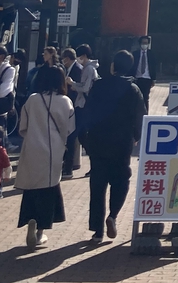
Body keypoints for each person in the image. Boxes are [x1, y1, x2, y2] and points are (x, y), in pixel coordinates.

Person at [79, 50, 145, 243]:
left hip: (98, 140)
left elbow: (88, 112)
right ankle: (113, 215)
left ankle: (97, 231)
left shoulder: (99, 85)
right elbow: (140, 117)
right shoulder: (133, 89)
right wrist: (135, 137)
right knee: (121, 180)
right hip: (122, 142)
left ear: (113, 66)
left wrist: (86, 138)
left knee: (97, 185)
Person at [16, 63, 73, 250]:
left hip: (32, 149)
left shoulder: (32, 100)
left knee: (31, 188)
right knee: (49, 189)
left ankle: (30, 219)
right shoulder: (65, 101)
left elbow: (22, 127)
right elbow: (70, 128)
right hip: (53, 152)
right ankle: (40, 232)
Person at [61, 48, 83, 179]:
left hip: (76, 107)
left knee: (72, 137)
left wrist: (71, 84)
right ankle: (67, 165)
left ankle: (68, 167)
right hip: (70, 106)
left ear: (68, 59)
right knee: (70, 137)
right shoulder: (69, 69)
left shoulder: (78, 69)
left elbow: (79, 87)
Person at [132, 36, 157, 111]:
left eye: (146, 43)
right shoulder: (135, 54)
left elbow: (154, 67)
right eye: (143, 43)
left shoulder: (151, 54)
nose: (144, 44)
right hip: (137, 78)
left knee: (145, 97)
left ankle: (145, 113)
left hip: (147, 78)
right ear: (140, 43)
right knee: (136, 97)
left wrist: (154, 79)